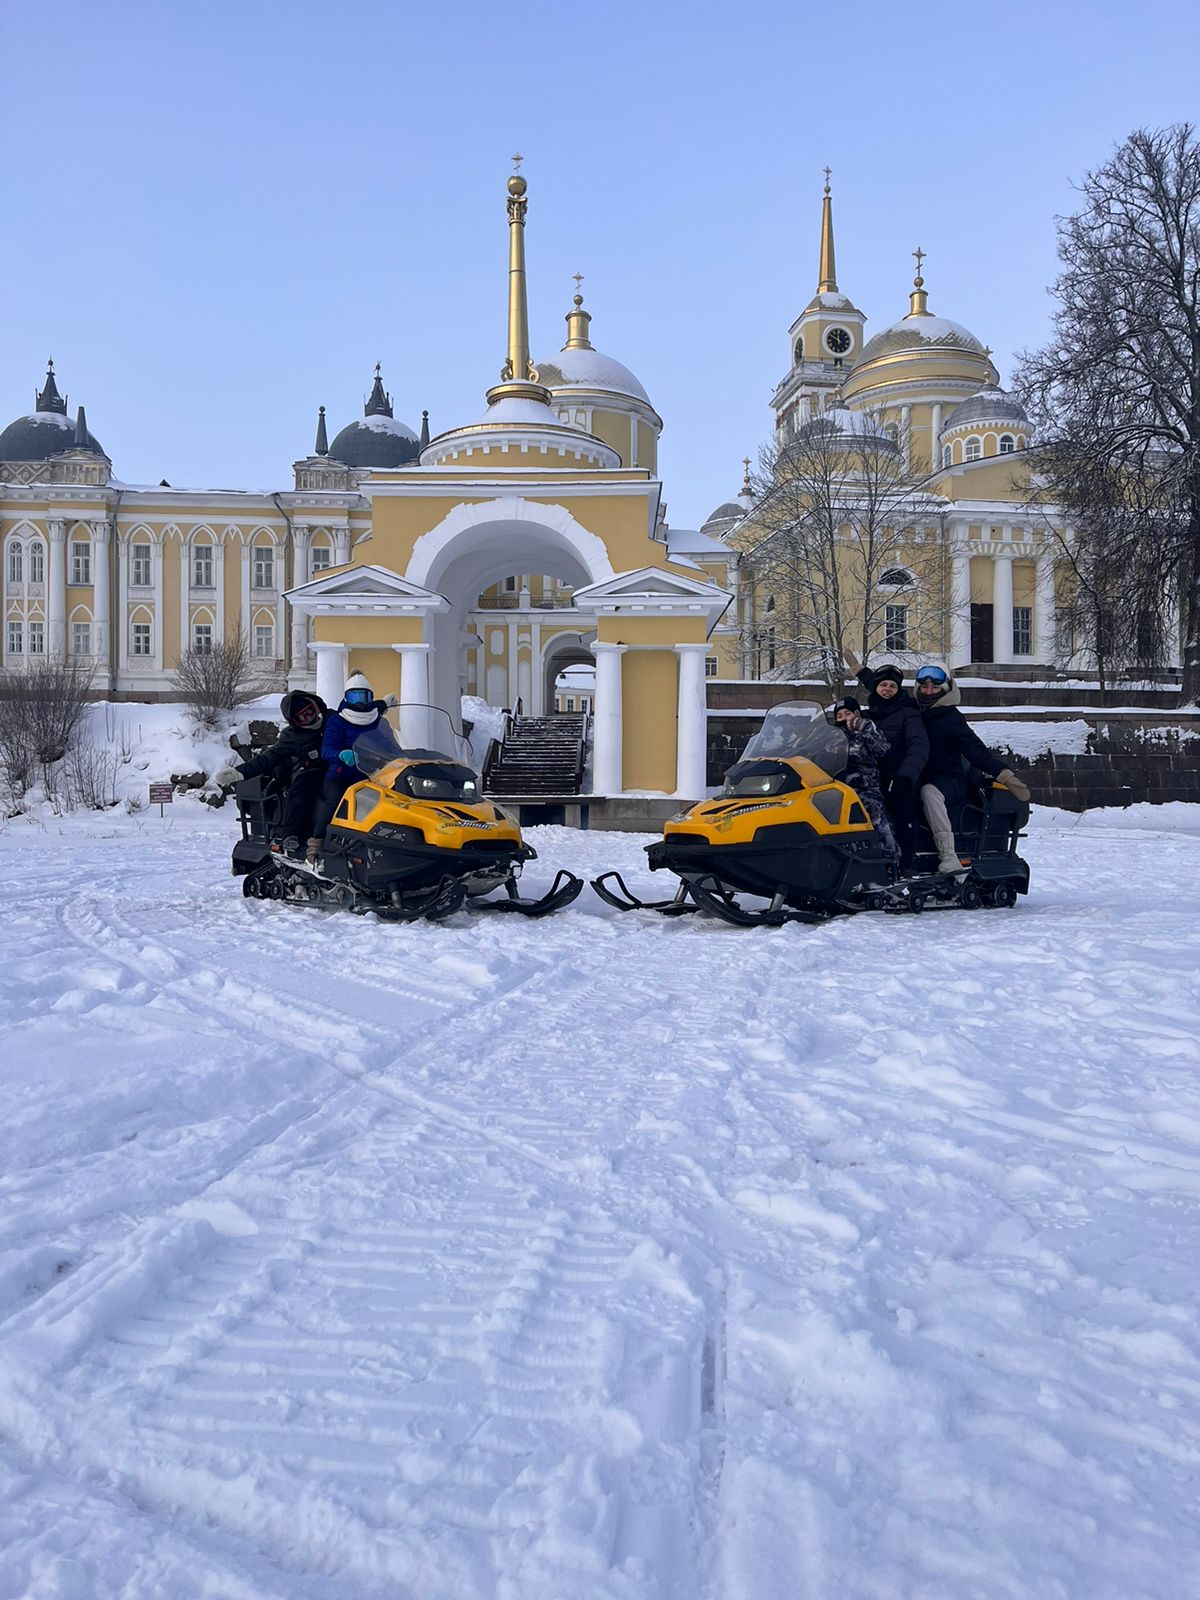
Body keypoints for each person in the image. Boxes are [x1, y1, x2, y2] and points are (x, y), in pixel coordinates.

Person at [913, 664, 1032, 873]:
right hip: (917, 775)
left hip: (947, 779)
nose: (929, 692)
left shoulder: (951, 718)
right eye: (924, 687)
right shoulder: (913, 711)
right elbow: (886, 693)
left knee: (929, 793)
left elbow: (975, 750)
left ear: (947, 688)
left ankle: (948, 855)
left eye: (934, 687)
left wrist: (1004, 775)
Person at [212, 691, 329, 856]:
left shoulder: (332, 720)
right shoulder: (293, 736)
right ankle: (290, 834)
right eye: (302, 718)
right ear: (294, 722)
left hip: (342, 767)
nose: (311, 719)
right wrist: (239, 773)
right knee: (302, 791)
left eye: (311, 712)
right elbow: (269, 758)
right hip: (311, 770)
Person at [306, 672, 396, 863]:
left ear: (371, 697)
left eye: (364, 696)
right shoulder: (337, 721)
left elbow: (392, 747)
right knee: (335, 798)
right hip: (342, 776)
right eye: (354, 696)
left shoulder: (380, 721)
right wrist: (341, 755)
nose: (360, 702)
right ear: (346, 698)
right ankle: (317, 844)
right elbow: (327, 750)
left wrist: (403, 758)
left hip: (374, 777)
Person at [856, 663, 929, 875]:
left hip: (899, 775)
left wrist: (905, 776)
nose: (887, 689)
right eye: (883, 685)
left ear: (899, 690)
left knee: (901, 806)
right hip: (873, 777)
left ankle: (907, 861)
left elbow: (919, 746)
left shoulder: (908, 713)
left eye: (892, 686)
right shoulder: (870, 714)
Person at [830, 697, 899, 867]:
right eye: (840, 715)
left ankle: (890, 858)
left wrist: (866, 728)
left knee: (873, 812)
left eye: (848, 713)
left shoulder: (865, 730)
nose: (844, 717)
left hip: (864, 787)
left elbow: (882, 749)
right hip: (835, 789)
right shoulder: (831, 737)